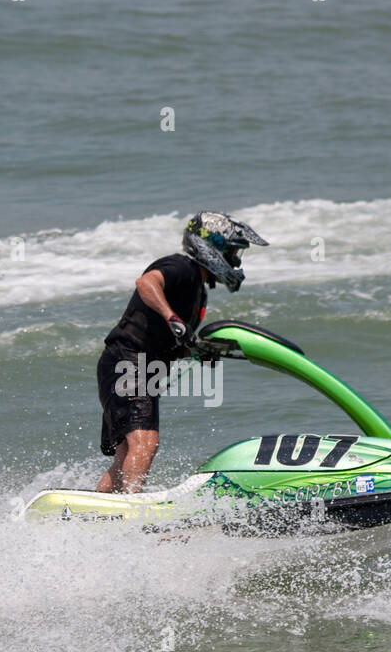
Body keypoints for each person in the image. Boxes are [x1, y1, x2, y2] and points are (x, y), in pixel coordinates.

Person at [96, 211, 268, 492]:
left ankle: (95, 514)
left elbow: (168, 340)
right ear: (212, 246)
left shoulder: (197, 289)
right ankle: (131, 509)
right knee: (146, 442)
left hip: (136, 364)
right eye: (233, 252)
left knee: (127, 453)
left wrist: (197, 351)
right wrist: (172, 318)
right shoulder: (180, 267)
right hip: (128, 360)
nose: (235, 261)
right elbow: (146, 283)